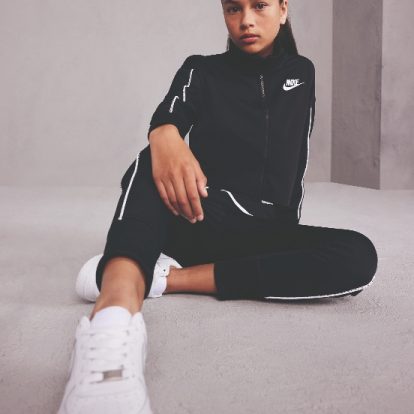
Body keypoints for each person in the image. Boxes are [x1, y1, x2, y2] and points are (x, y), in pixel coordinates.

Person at [57, 1, 378, 413]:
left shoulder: (301, 72)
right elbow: (170, 116)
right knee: (149, 160)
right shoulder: (201, 71)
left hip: (267, 235)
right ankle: (114, 315)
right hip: (201, 215)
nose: (246, 20)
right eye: (233, 9)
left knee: (358, 254)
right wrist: (164, 134)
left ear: (283, 10)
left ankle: (163, 277)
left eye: (259, 6)